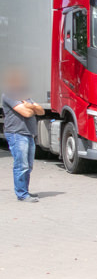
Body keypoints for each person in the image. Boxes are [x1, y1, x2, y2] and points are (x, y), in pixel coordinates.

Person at [2, 68, 44, 202]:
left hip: (28, 134)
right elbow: (27, 113)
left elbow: (41, 111)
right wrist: (32, 107)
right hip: (16, 133)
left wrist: (31, 106)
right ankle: (22, 194)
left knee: (28, 165)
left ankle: (25, 191)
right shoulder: (9, 94)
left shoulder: (26, 96)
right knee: (21, 165)